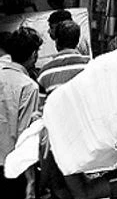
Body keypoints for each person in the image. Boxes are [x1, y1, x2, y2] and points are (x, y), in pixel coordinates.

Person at [0, 30, 40, 199]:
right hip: (11, 168)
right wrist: (31, 180)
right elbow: (25, 136)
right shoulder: (28, 86)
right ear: (34, 54)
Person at [38, 20, 90, 95]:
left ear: (56, 41)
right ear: (77, 41)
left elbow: (42, 105)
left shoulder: (44, 73)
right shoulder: (92, 66)